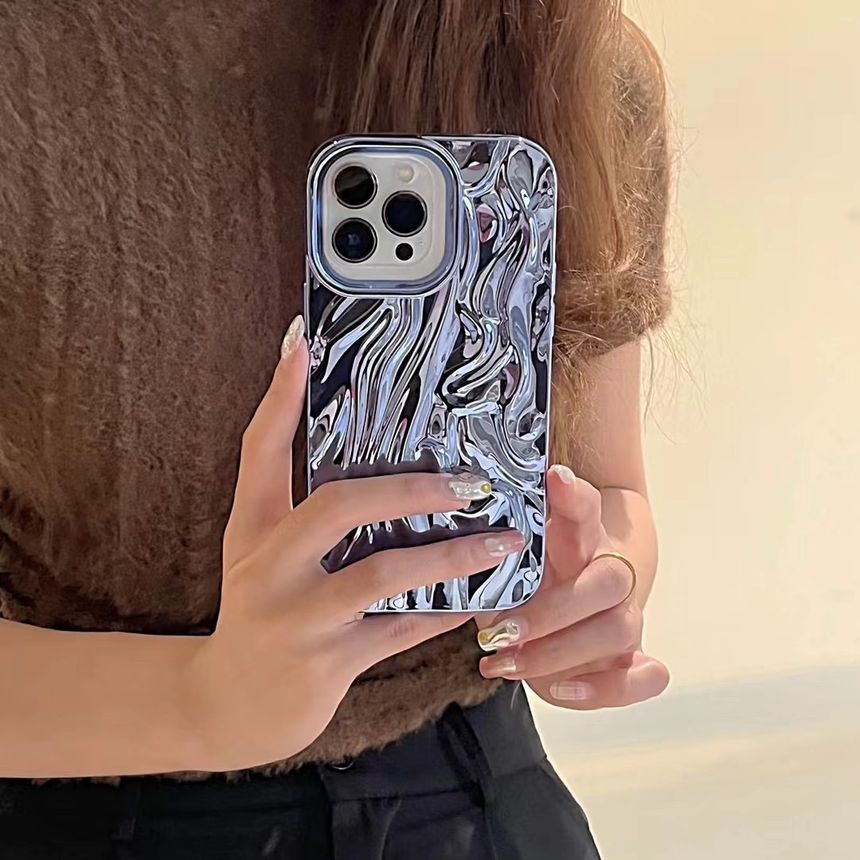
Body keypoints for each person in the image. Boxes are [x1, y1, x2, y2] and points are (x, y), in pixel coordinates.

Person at [0, 1, 671, 857]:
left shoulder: (563, 48)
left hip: (479, 790)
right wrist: (199, 700)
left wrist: (593, 588)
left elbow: (611, 488)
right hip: (84, 805)